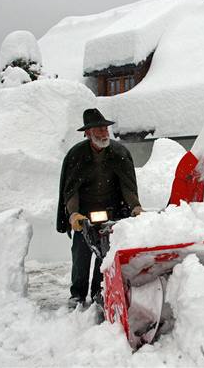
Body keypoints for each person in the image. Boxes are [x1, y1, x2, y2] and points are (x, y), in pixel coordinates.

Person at [56, 108, 143, 308]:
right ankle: (77, 293)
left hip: (112, 212)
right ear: (87, 133)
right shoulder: (77, 155)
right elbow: (71, 190)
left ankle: (99, 290)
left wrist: (135, 206)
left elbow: (128, 186)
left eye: (105, 129)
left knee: (105, 254)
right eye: (98, 130)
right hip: (84, 214)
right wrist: (74, 214)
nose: (104, 133)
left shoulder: (119, 153)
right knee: (81, 253)